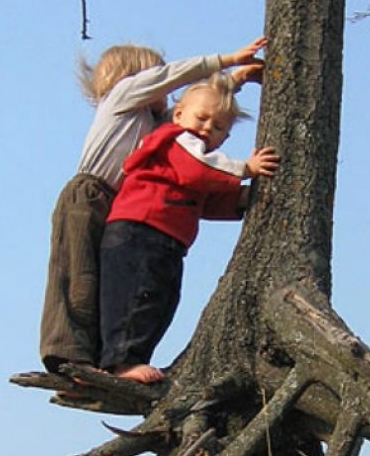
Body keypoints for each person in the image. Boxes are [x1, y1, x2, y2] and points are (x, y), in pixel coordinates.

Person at [39, 37, 266, 374]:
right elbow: (176, 84)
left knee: (110, 285)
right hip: (88, 196)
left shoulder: (156, 127)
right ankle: (68, 357)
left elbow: (196, 114)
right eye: (157, 77)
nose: (166, 85)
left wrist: (234, 82)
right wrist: (225, 60)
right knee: (78, 276)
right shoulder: (121, 99)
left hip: (121, 203)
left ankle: (102, 359)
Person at [97, 73, 280, 383]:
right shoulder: (177, 141)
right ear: (179, 114)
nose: (208, 128)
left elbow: (205, 202)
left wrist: (243, 201)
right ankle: (122, 362)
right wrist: (245, 170)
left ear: (225, 138)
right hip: (141, 231)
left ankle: (132, 360)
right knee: (136, 298)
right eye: (202, 118)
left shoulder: (194, 159)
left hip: (165, 241)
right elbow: (199, 169)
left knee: (160, 301)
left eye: (219, 127)